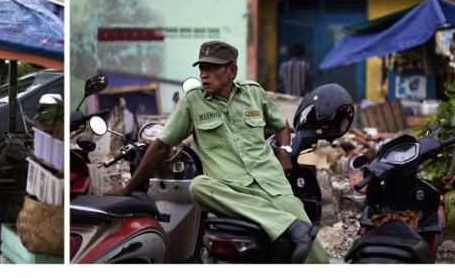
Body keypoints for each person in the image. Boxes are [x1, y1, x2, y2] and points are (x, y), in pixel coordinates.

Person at [105, 40, 326, 263]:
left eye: (212, 67)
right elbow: (161, 145)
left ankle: (286, 230)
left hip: (272, 185)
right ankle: (289, 226)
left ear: (232, 71)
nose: (204, 74)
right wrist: (127, 189)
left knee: (317, 259)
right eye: (202, 68)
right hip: (229, 190)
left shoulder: (254, 93)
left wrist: (284, 151)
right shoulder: (192, 102)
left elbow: (281, 125)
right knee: (199, 186)